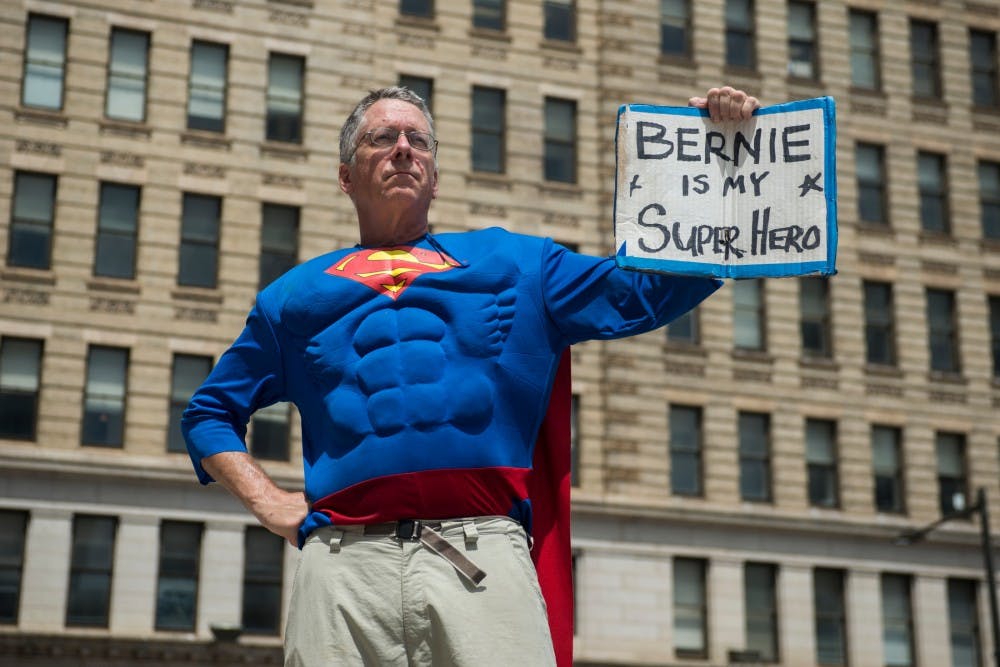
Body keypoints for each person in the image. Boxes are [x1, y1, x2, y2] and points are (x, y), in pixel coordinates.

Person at [182, 85, 759, 666]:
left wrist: (712, 152)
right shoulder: (292, 299)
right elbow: (208, 414)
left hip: (481, 557)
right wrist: (267, 501)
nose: (404, 149)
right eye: (382, 138)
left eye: (419, 141)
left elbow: (646, 290)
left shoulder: (515, 264)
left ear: (434, 176)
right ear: (345, 176)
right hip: (342, 568)